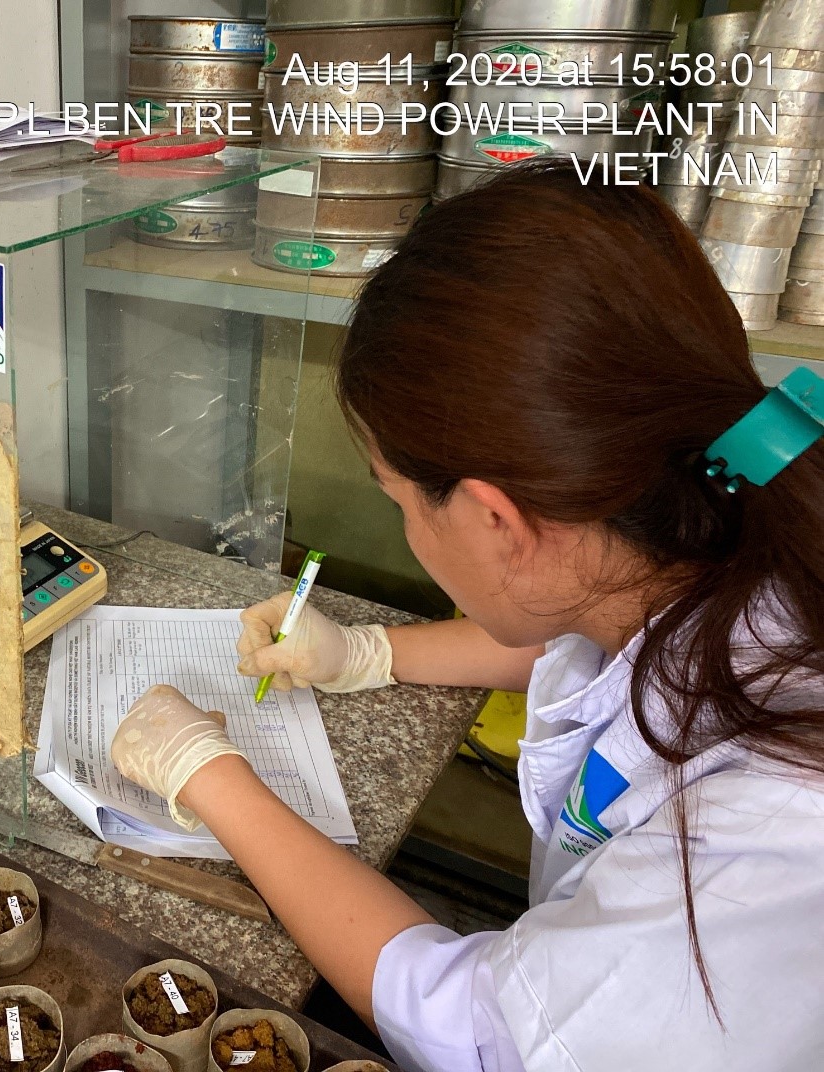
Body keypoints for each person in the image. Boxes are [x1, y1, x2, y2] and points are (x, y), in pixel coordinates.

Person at [109, 161, 824, 1072]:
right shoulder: (739, 526)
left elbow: (476, 1030)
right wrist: (365, 653)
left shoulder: (753, 848)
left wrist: (211, 779)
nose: (406, 528)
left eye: (398, 500)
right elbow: (598, 635)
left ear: (493, 519)